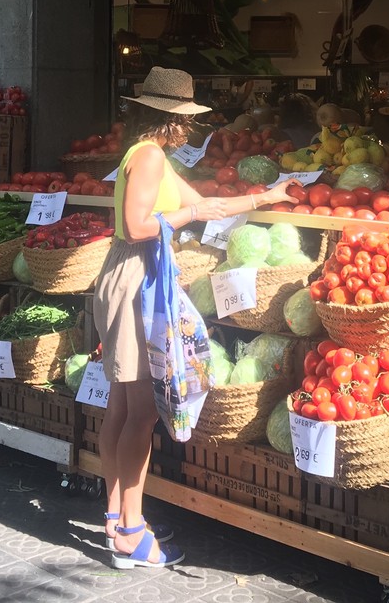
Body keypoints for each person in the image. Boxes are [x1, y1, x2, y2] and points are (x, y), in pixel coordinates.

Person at [94, 66, 299, 569]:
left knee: (123, 406)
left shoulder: (150, 157)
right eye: (182, 119)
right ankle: (130, 535)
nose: (187, 129)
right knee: (139, 412)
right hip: (136, 280)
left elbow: (204, 203)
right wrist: (180, 220)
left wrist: (264, 198)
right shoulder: (146, 157)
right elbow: (136, 225)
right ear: (165, 119)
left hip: (134, 276)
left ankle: (118, 514)